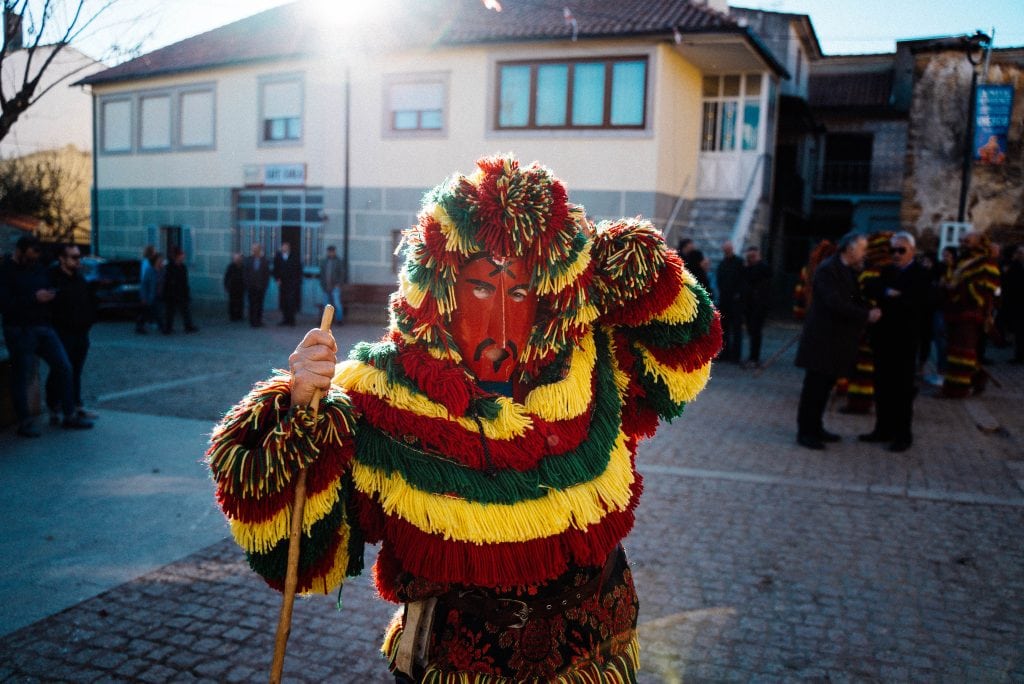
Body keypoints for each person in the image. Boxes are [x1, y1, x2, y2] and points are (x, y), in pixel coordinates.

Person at [206, 155, 722, 683]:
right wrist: (298, 415)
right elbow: (305, 559)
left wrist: (632, 268)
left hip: (599, 657)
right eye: (480, 286)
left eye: (519, 290)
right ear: (441, 289)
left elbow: (687, 353)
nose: (500, 326)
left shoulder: (590, 363)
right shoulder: (382, 397)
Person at [794, 231, 880, 450]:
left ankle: (816, 426)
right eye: (862, 248)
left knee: (825, 387)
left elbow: (853, 299)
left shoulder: (848, 270)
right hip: (822, 340)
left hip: (836, 341)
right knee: (814, 388)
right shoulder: (828, 269)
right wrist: (865, 315)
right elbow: (835, 303)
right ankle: (806, 431)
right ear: (849, 248)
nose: (864, 253)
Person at [0, 235, 92, 436]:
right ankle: (25, 422)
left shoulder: (38, 267)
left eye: (36, 256)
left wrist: (51, 295)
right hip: (20, 329)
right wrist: (34, 298)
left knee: (64, 367)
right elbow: (5, 304)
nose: (34, 259)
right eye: (31, 255)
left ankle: (69, 415)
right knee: (21, 375)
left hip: (43, 326)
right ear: (20, 251)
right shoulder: (6, 271)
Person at [859, 232, 930, 452]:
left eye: (901, 250)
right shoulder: (887, 271)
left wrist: (895, 297)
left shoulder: (921, 274)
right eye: (893, 250)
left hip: (905, 339)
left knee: (901, 390)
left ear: (912, 251)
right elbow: (871, 288)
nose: (896, 254)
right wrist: (890, 292)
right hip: (883, 337)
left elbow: (922, 301)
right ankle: (882, 429)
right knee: (882, 386)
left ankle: (902, 435)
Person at [940, 232, 1000, 398]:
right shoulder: (962, 261)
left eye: (966, 241)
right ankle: (978, 377)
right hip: (955, 311)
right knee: (955, 350)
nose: (962, 244)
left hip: (971, 313)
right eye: (961, 241)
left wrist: (962, 287)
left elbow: (989, 288)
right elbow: (952, 280)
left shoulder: (986, 262)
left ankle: (957, 390)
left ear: (979, 243)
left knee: (962, 351)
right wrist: (947, 281)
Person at [46, 243, 98, 425]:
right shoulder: (54, 279)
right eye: (74, 257)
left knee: (76, 371)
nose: (78, 261)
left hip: (81, 333)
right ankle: (54, 406)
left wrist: (89, 320)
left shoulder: (79, 279)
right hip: (62, 333)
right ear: (62, 258)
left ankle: (76, 405)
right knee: (59, 370)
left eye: (79, 257)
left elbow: (89, 301)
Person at [740, 244, 772, 368]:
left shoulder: (763, 268)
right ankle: (752, 356)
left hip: (759, 305)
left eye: (753, 256)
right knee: (751, 331)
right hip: (749, 304)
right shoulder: (747, 267)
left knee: (756, 331)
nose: (751, 258)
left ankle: (755, 357)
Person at [716, 240, 743, 362]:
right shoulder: (722, 263)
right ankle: (725, 353)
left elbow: (742, 280)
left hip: (735, 301)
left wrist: (738, 294)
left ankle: (735, 355)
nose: (727, 252)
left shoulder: (739, 263)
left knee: (736, 329)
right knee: (724, 329)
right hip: (724, 299)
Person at [162, 247, 198, 334]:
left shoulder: (183, 267)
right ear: (177, 256)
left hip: (181, 292)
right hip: (171, 292)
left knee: (185, 310)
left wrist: (186, 292)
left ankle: (188, 326)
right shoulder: (169, 267)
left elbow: (185, 281)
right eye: (182, 255)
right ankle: (168, 328)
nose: (183, 256)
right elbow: (166, 281)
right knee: (170, 311)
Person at [273, 240, 302, 326]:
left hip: (292, 283)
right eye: (283, 246)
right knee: (283, 301)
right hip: (282, 283)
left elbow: (298, 269)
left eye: (286, 246)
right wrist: (277, 279)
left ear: (289, 247)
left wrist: (297, 281)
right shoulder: (278, 256)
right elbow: (276, 268)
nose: (284, 248)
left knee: (291, 301)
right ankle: (285, 319)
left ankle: (291, 320)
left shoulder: (294, 256)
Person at [1004, 244, 1024, 364]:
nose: (1020, 255)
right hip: (1017, 303)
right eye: (1019, 253)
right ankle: (1019, 356)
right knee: (1019, 331)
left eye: (1022, 253)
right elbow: (1008, 283)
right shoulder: (1014, 266)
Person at [243, 243, 270, 327]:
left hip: (261, 287)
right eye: (253, 249)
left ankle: (258, 321)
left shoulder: (264, 260)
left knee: (259, 304)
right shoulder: (248, 260)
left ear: (259, 250)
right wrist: (247, 284)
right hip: (251, 287)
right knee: (252, 304)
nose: (255, 251)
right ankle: (252, 321)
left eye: (257, 249)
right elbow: (245, 273)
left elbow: (266, 274)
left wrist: (265, 285)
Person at [318, 245, 344, 326]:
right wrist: (322, 284)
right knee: (326, 305)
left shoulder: (338, 261)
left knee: (337, 304)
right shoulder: (324, 261)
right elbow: (321, 274)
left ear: (334, 252)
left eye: (332, 251)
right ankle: (326, 321)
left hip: (335, 287)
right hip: (326, 287)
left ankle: (339, 320)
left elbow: (342, 274)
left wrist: (339, 284)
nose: (331, 253)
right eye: (330, 252)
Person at [135, 245, 157, 334]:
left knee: (147, 308)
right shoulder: (147, 263)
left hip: (146, 287)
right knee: (145, 308)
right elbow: (145, 277)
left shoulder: (146, 262)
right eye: (154, 251)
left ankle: (146, 323)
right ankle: (140, 326)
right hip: (146, 287)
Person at [223, 252, 245, 321]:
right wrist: (226, 286)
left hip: (241, 287)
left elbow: (246, 276)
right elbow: (226, 277)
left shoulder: (243, 266)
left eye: (239, 258)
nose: (237, 259)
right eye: (236, 258)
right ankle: (232, 316)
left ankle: (239, 315)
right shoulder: (231, 266)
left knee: (240, 302)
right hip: (233, 287)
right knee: (232, 302)